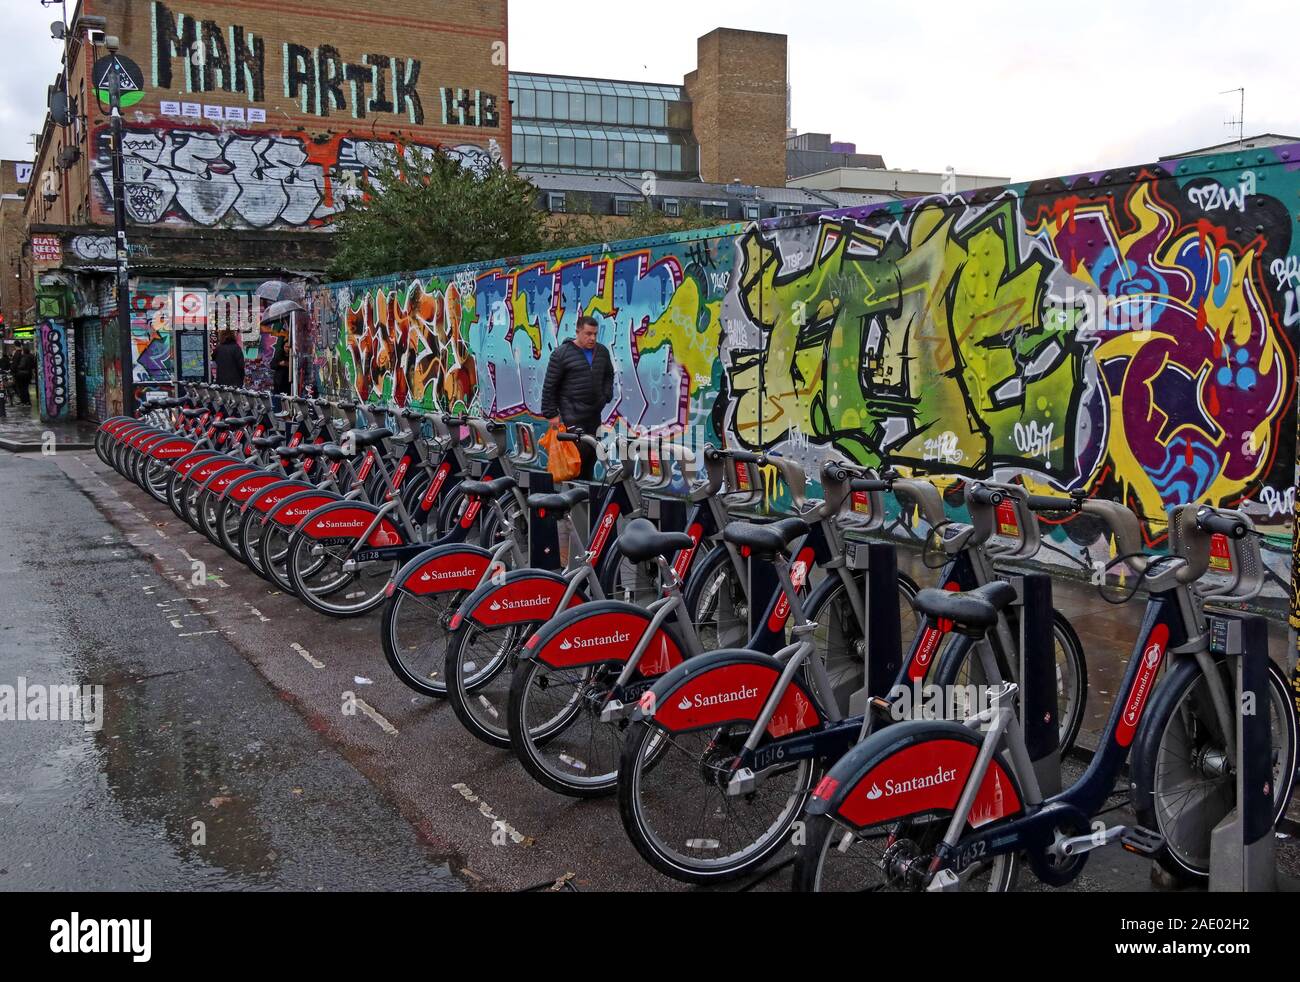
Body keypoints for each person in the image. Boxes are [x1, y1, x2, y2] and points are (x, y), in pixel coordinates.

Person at [540, 315, 614, 480]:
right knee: (574, 463)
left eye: (595, 334)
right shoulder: (561, 354)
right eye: (588, 333)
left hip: (594, 418)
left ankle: (586, 500)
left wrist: (606, 395)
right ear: (578, 332)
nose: (592, 338)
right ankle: (569, 500)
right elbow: (550, 386)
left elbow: (609, 374)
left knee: (591, 460)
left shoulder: (602, 352)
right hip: (571, 418)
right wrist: (551, 414)